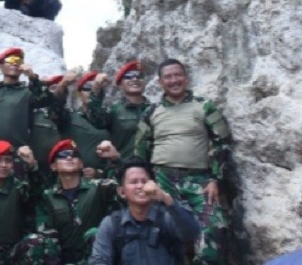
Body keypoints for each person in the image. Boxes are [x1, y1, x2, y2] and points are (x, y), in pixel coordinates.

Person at [135, 59, 232, 265]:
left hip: (200, 181)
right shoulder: (151, 112)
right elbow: (140, 152)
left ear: (186, 78)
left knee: (216, 226)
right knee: (157, 232)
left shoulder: (204, 106)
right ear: (160, 82)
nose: (174, 80)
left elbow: (222, 143)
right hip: (162, 181)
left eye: (178, 75)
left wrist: (216, 179)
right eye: (168, 77)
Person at [89, 157, 201, 265]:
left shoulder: (167, 217)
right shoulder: (112, 224)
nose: (140, 186)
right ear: (122, 192)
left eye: (145, 181)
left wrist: (166, 199)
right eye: (133, 182)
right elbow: (99, 260)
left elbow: (192, 233)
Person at [36, 139, 122, 264]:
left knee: (96, 233)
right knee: (35, 241)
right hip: (61, 258)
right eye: (63, 155)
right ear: (53, 166)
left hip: (95, 257)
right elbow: (46, 234)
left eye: (74, 155)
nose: (70, 157)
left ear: (81, 164)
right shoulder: (48, 196)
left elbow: (125, 188)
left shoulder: (99, 187)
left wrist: (115, 159)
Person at [0, 141, 54, 265]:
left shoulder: (19, 187)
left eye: (8, 160)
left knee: (37, 241)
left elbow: (39, 193)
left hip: (15, 249)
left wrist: (33, 166)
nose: (4, 165)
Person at [0, 47, 48, 148]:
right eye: (11, 60)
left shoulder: (27, 92)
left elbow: (45, 100)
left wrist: (32, 77)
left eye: (19, 61)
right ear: (0, 66)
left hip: (16, 151)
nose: (15, 63)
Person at [88, 60, 151, 161]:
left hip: (152, 170)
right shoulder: (114, 110)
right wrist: (96, 90)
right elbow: (97, 121)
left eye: (139, 76)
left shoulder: (154, 109)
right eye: (129, 76)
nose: (135, 79)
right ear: (120, 84)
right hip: (123, 168)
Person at [62, 71, 114, 178]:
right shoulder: (70, 117)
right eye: (87, 87)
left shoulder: (109, 118)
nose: (90, 91)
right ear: (80, 92)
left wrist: (98, 173)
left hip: (104, 179)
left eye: (94, 88)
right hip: (74, 177)